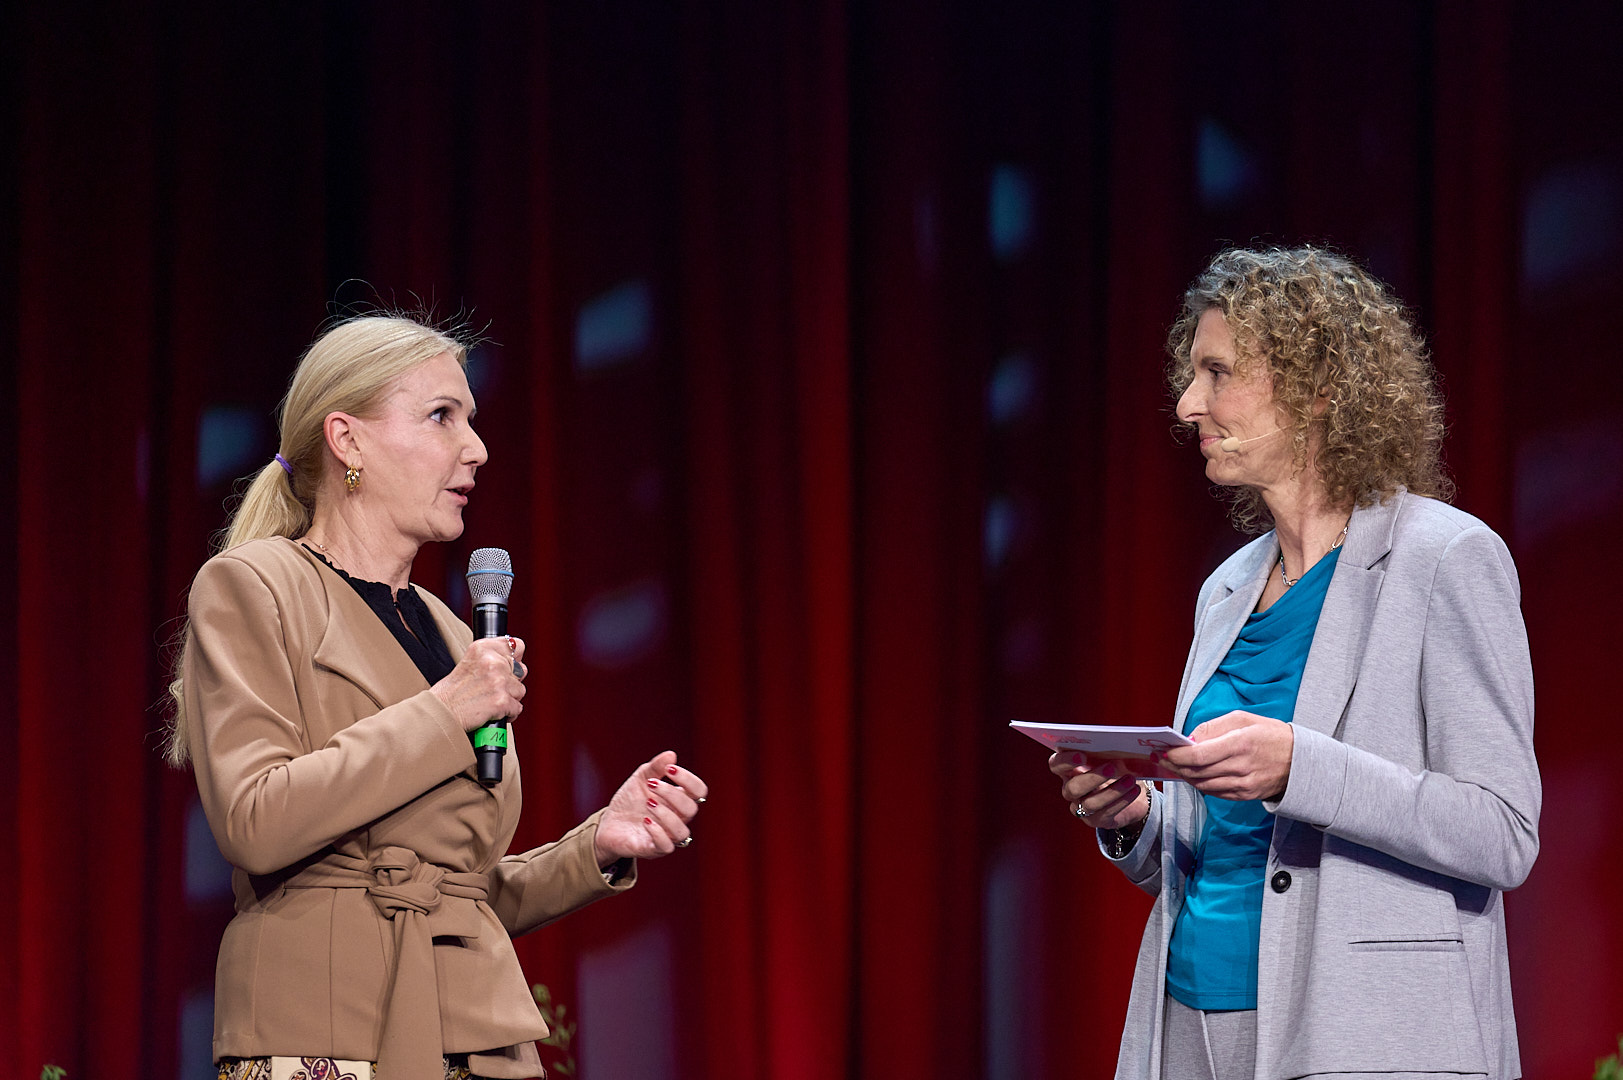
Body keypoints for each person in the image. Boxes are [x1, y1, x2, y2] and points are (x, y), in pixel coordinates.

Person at [163, 315, 708, 1080]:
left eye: (472, 420)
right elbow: (256, 820)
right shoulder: (256, 584)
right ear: (348, 441)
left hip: (477, 1034)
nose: (476, 449)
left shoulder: (456, 635)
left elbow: (457, 891)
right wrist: (444, 711)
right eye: (441, 416)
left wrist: (599, 845)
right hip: (327, 1030)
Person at [1048, 248, 1538, 1080]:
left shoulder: (1445, 557)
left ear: (1316, 387)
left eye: (1216, 372)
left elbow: (1501, 834)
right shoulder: (1227, 587)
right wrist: (1132, 819)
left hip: (1364, 1029)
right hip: (1190, 1019)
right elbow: (1230, 843)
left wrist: (1298, 768)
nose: (1186, 403)